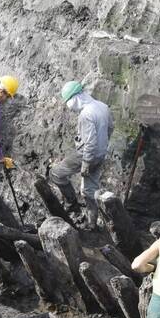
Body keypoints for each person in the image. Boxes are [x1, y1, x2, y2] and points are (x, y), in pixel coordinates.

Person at [50, 81, 113, 228]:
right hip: (101, 154)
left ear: (76, 97)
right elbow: (110, 128)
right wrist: (103, 145)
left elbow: (89, 143)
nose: (69, 106)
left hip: (86, 155)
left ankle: (72, 204)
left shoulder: (85, 114)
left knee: (56, 173)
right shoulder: (102, 106)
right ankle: (92, 224)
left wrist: (86, 163)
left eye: (68, 102)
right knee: (89, 190)